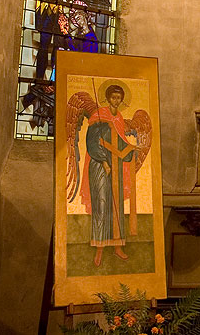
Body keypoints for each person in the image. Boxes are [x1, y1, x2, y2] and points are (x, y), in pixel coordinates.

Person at [80, 84, 137, 267]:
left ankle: (117, 247)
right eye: (113, 97)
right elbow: (92, 141)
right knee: (102, 204)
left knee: (116, 206)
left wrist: (131, 151)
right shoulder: (99, 115)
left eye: (119, 98)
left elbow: (120, 143)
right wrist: (104, 161)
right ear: (108, 98)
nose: (116, 100)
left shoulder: (118, 117)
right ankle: (99, 249)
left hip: (115, 167)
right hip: (99, 165)